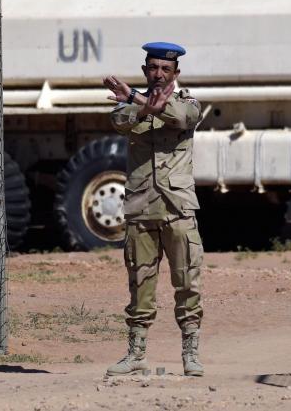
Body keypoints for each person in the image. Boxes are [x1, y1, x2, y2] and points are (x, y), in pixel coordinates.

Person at [102, 42, 205, 377]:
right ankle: (136, 354)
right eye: (153, 68)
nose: (158, 74)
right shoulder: (128, 107)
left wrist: (135, 98)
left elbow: (178, 117)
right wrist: (139, 105)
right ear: (145, 69)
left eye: (165, 69)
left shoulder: (188, 102)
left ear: (176, 73)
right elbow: (120, 121)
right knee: (139, 284)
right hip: (142, 207)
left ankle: (190, 354)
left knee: (187, 282)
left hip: (177, 209)